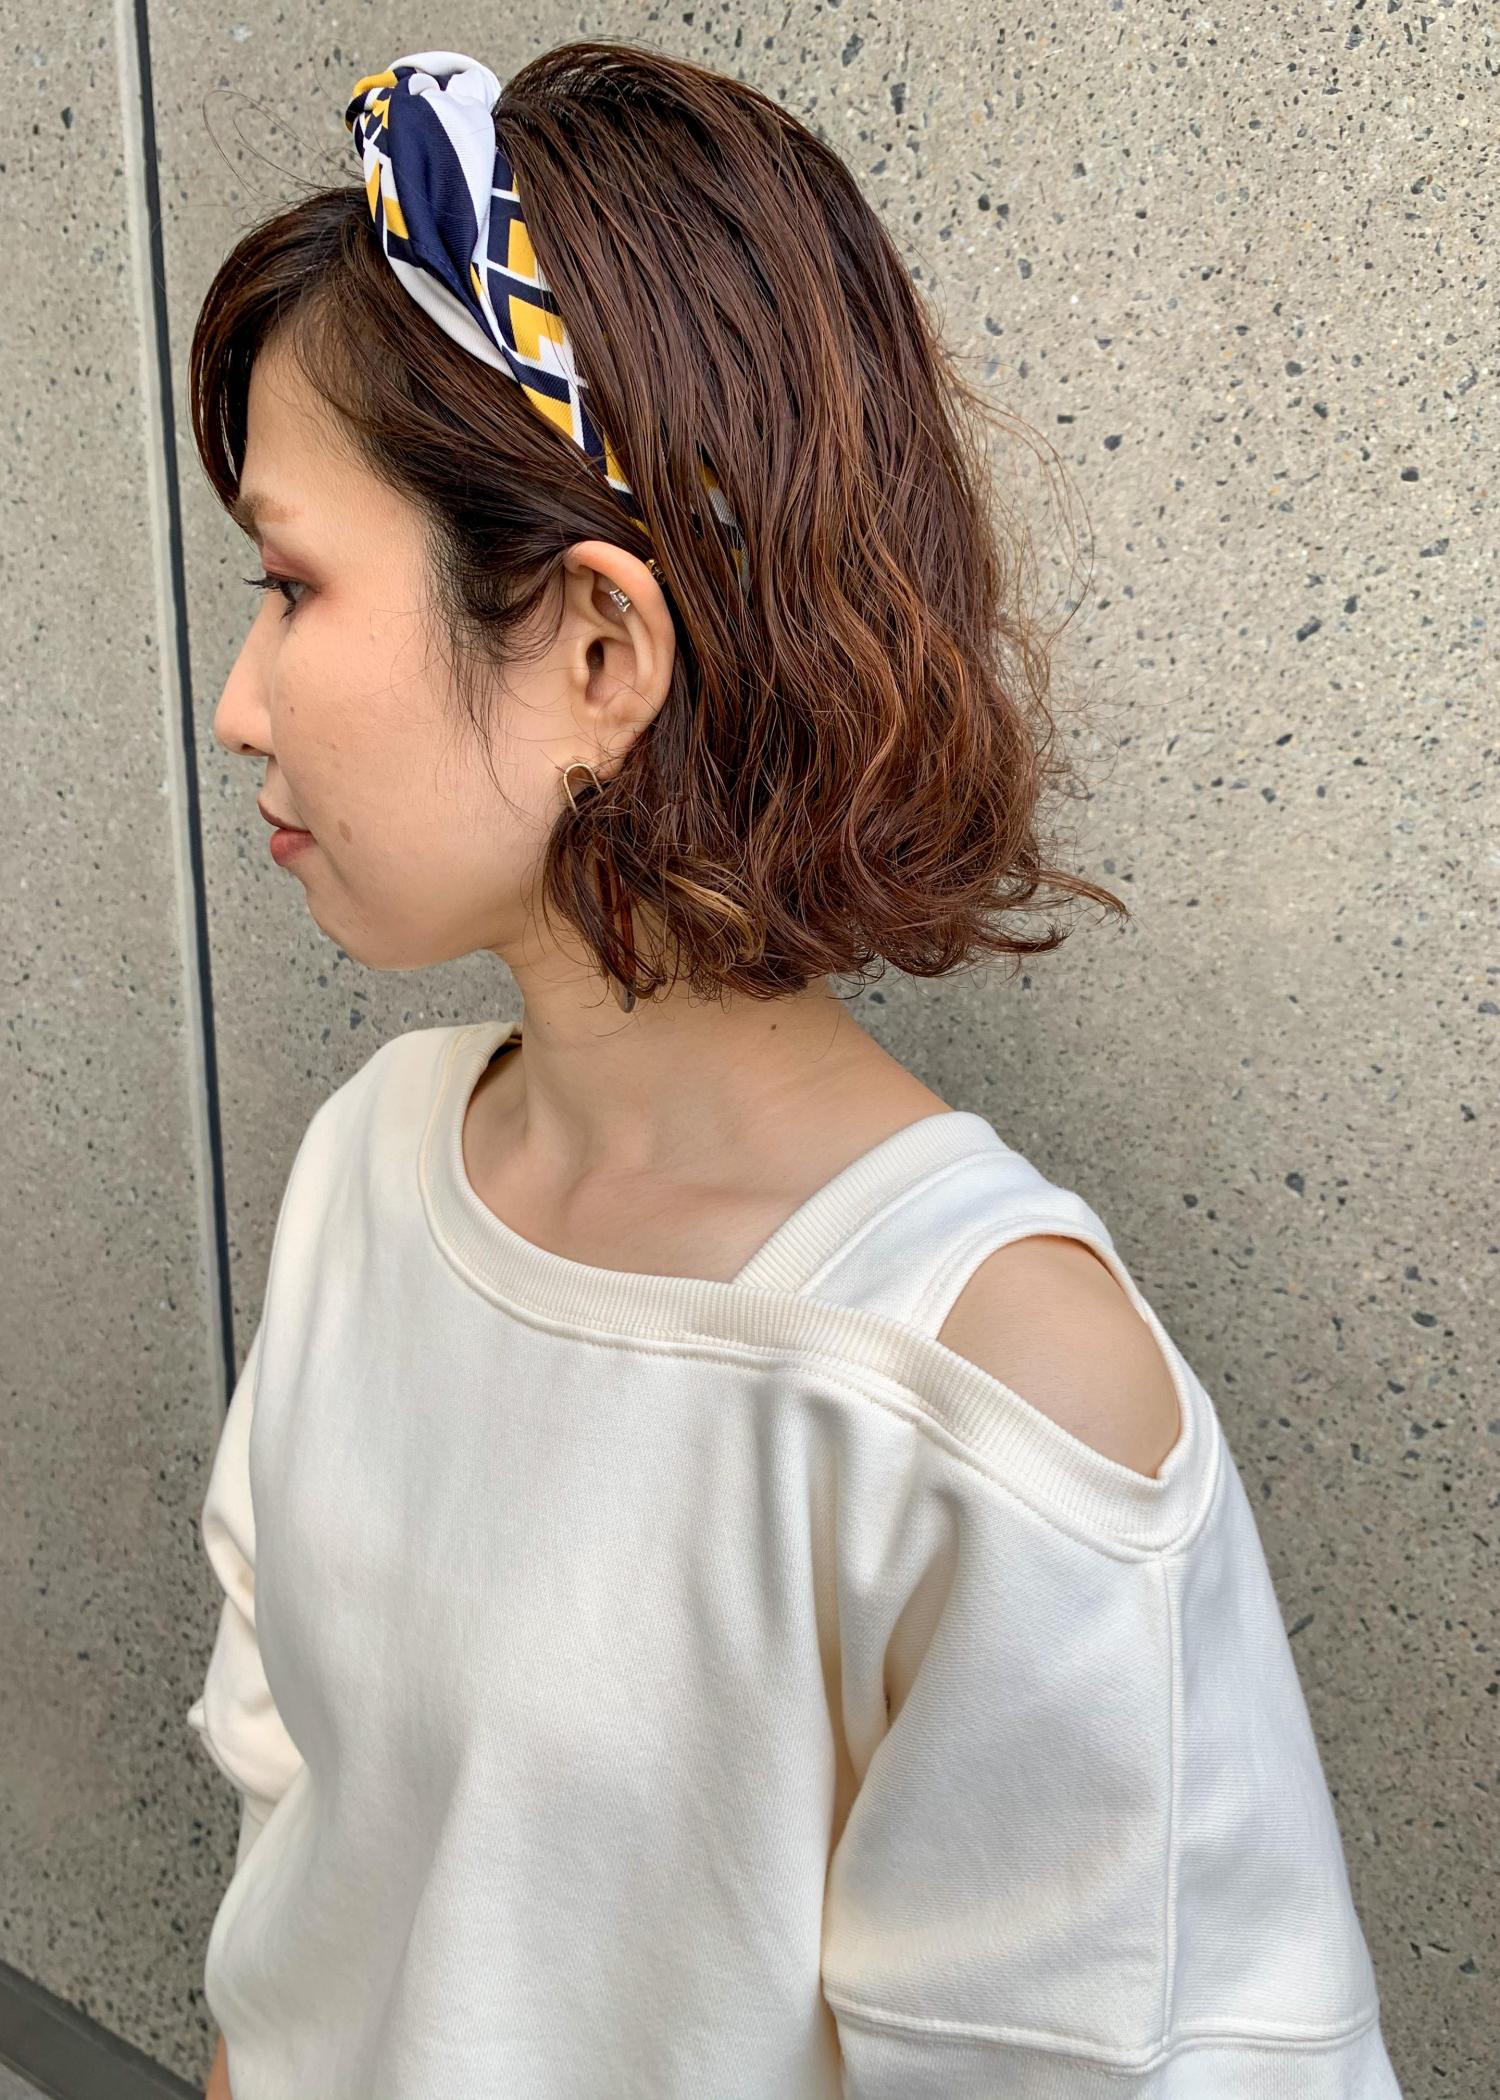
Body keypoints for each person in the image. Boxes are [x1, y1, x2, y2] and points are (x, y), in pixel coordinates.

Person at [184, 40, 1402, 2100]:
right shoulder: (369, 1173)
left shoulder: (991, 1395)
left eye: (292, 585)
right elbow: (306, 1892)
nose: (240, 703)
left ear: (598, 653)